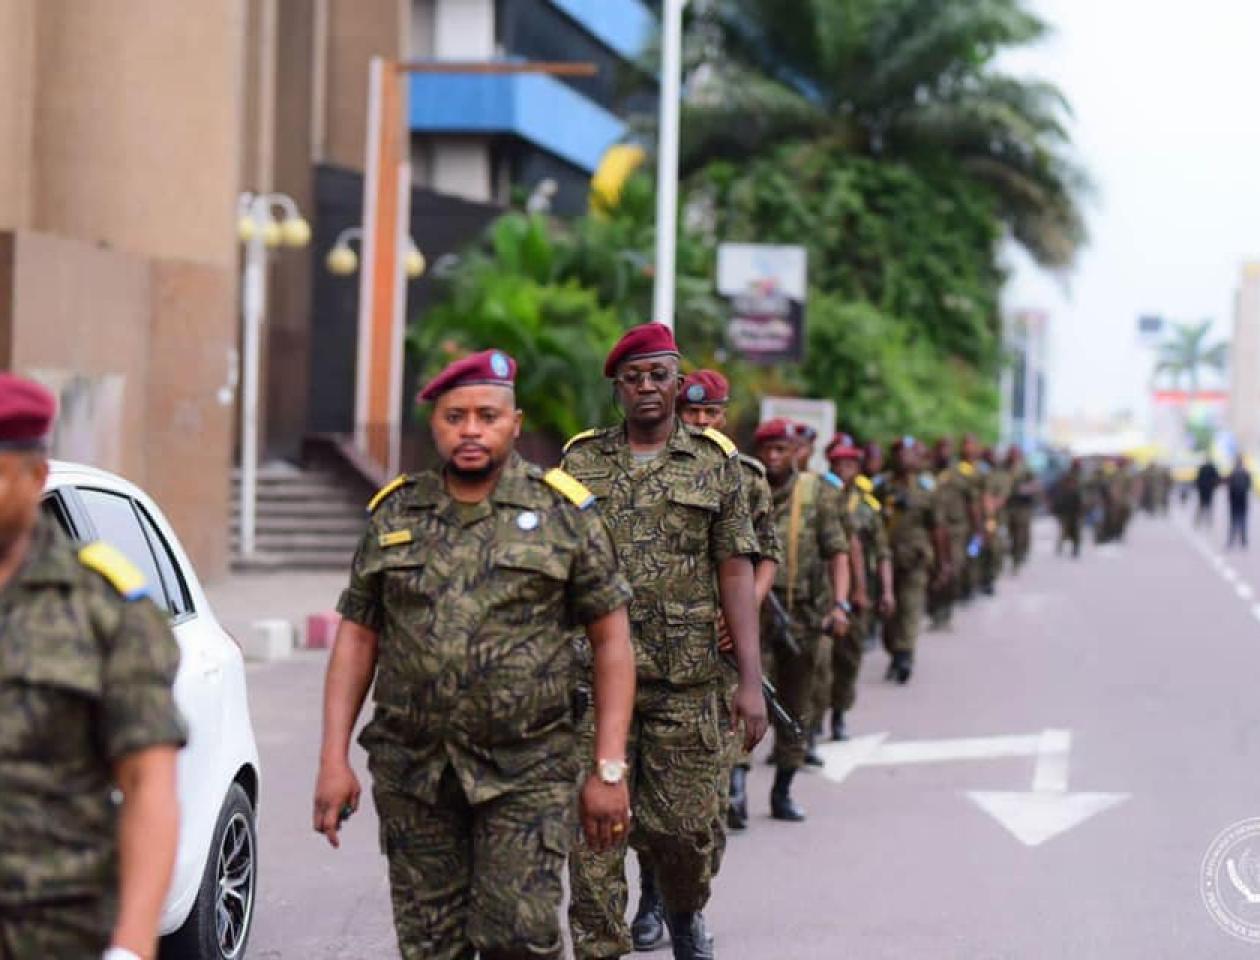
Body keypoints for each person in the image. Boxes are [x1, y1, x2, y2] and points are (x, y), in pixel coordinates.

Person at [313, 350, 636, 960]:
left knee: (518, 937)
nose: (470, 430)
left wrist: (609, 768)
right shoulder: (395, 513)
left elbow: (611, 641)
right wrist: (334, 758)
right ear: (434, 424)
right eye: (454, 416)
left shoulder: (562, 514)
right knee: (431, 946)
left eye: (487, 416)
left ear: (515, 423)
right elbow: (357, 637)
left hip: (528, 769)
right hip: (415, 773)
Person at [562, 324, 767, 960]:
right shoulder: (579, 464)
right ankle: (601, 946)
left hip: (687, 683)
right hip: (593, 684)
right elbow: (554, 569)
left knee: (684, 833)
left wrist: (750, 681)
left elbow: (736, 569)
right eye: (634, 377)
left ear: (678, 383)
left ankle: (683, 910)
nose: (646, 386)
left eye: (658, 375)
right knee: (593, 840)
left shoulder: (715, 464)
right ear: (617, 388)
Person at [0, 373, 186, 960]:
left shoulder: (104, 608)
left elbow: (147, 784)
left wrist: (131, 946)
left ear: (36, 477)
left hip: (53, 931)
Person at [753, 418, 850, 817]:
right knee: (743, 699)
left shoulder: (816, 493)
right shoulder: (745, 488)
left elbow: (838, 551)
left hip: (802, 617)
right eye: (768, 449)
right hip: (752, 616)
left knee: (795, 704)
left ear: (795, 452)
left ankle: (783, 789)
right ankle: (735, 788)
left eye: (782, 449)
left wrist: (840, 605)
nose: (774, 457)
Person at [819, 433, 893, 740]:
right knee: (819, 661)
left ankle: (839, 714)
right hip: (821, 590)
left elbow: (879, 551)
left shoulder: (866, 506)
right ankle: (813, 723)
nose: (843, 469)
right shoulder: (818, 496)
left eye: (850, 464)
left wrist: (883, 591)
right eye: (838, 463)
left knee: (849, 659)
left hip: (856, 593)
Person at [879, 437, 947, 684]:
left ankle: (904, 654)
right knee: (888, 613)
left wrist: (943, 561)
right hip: (884, 560)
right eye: (900, 453)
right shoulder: (882, 486)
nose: (905, 458)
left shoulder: (927, 488)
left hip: (915, 559)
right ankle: (894, 650)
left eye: (909, 453)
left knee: (910, 606)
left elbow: (937, 528)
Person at [926, 438, 969, 629]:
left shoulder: (960, 474)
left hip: (956, 529)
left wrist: (978, 530)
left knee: (954, 569)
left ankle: (946, 609)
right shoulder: (927, 474)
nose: (944, 452)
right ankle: (935, 611)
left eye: (947, 448)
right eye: (941, 448)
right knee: (933, 570)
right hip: (931, 530)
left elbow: (972, 501)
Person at [1005, 446, 1040, 573]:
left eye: (1015, 453)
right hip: (1008, 506)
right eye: (1012, 453)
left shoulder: (1025, 469)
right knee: (1009, 533)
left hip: (1022, 507)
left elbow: (1035, 485)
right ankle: (1013, 555)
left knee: (1020, 534)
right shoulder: (1004, 467)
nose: (1013, 456)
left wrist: (1025, 489)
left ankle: (1017, 558)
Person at [1052, 459, 1085, 558]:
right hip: (1066, 507)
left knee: (1075, 530)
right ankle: (1061, 548)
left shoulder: (1080, 477)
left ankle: (1075, 549)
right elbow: (1061, 492)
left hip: (1075, 507)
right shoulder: (1068, 477)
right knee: (1065, 529)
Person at [1227, 455, 1252, 549]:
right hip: (1243, 499)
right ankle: (1243, 540)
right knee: (1243, 520)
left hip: (1234, 500)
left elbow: (1230, 486)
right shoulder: (1246, 472)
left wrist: (1229, 498)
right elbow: (1249, 486)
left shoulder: (1233, 472)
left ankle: (1231, 540)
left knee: (1233, 520)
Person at [1195, 457, 1220, 528]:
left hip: (1203, 490)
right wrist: (1214, 486)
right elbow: (1216, 478)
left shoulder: (1203, 468)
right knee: (1208, 506)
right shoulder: (1212, 468)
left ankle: (1198, 521)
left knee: (1202, 506)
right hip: (1209, 490)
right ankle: (1208, 522)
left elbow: (1198, 479)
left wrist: (1199, 487)